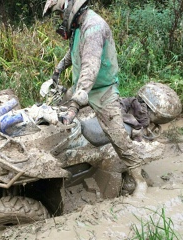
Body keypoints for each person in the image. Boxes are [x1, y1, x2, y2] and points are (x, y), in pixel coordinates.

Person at [42, 0, 148, 198]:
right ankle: (72, 160)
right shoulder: (79, 26)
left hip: (101, 90)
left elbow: (90, 66)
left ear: (68, 10)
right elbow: (75, 51)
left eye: (58, 14)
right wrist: (59, 68)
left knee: (117, 136)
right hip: (82, 86)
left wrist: (75, 103)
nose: (58, 19)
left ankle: (140, 181)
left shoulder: (94, 27)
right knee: (57, 118)